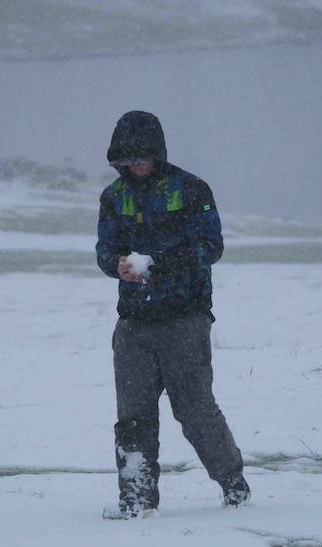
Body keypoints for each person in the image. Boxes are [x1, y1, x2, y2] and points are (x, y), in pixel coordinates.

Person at [96, 110, 250, 518]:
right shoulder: (114, 197)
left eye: (141, 158)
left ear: (157, 154)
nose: (134, 167)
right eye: (126, 161)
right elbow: (104, 251)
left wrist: (158, 263)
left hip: (185, 318)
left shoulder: (191, 189)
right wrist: (118, 266)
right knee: (133, 418)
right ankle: (136, 499)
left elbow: (210, 246)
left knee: (194, 410)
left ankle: (232, 482)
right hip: (132, 324)